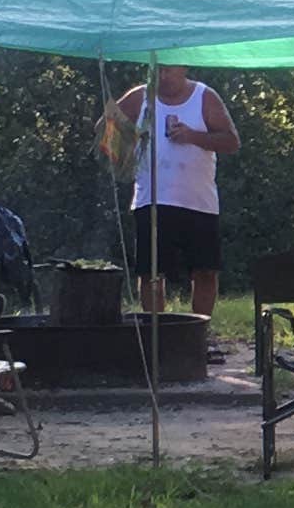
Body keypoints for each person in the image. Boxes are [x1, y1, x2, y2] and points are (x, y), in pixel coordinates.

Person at [102, 63, 242, 323]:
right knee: (151, 273)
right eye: (157, 71)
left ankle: (199, 333)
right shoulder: (140, 96)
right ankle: (159, 335)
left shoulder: (204, 96)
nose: (162, 77)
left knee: (205, 272)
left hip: (198, 201)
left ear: (184, 68)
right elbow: (105, 128)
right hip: (151, 199)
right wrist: (127, 152)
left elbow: (231, 141)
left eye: (168, 70)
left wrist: (193, 136)